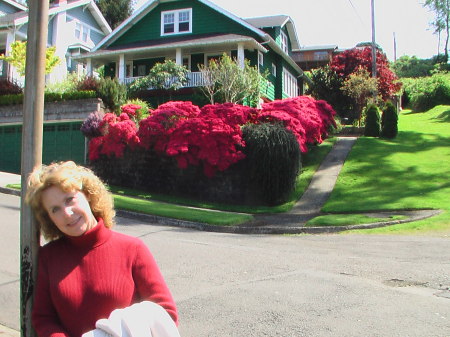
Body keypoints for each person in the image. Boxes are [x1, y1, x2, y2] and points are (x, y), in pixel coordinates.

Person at [25, 161, 178, 337]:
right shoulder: (48, 257)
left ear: (87, 195)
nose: (67, 213)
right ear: (49, 218)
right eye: (55, 209)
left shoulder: (133, 249)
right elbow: (44, 318)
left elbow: (165, 313)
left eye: (70, 199)